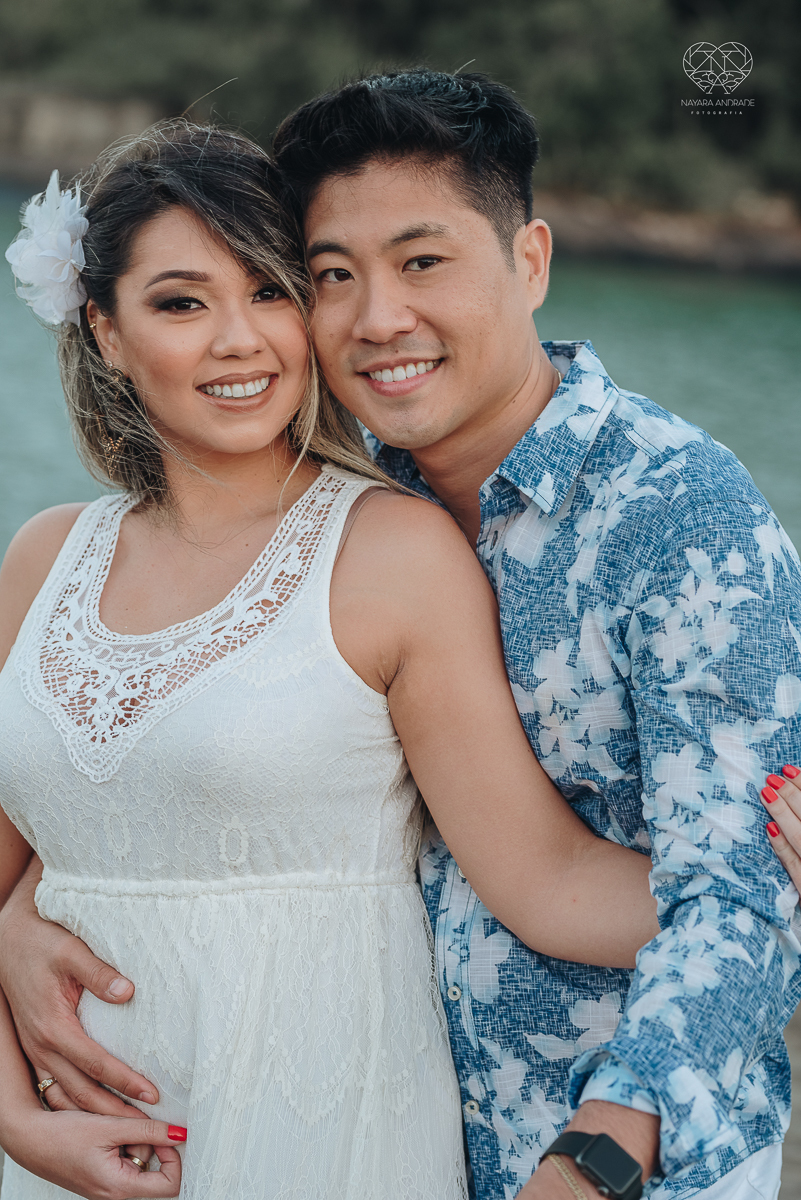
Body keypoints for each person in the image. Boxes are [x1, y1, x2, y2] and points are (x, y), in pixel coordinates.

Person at [0, 121, 661, 1200]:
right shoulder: (43, 559)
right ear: (105, 331)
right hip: (72, 1148)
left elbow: (547, 881)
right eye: (181, 303)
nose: (239, 340)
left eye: (271, 291)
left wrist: (755, 889)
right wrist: (15, 1117)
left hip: (318, 1126)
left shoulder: (393, 553)